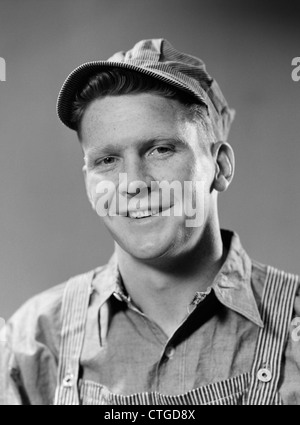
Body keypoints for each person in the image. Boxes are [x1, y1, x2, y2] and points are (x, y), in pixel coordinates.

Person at [0, 38, 299, 406]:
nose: (133, 183)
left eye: (160, 150)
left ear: (219, 167)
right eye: (107, 160)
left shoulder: (293, 333)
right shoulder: (32, 342)